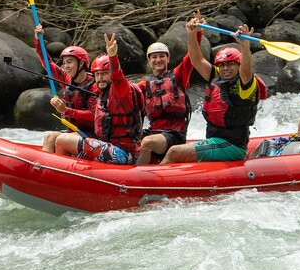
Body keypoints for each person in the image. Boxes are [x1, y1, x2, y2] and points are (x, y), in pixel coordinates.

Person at [161, 13, 266, 164]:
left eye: (230, 64)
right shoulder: (217, 76)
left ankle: (152, 185)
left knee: (174, 151)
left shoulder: (245, 85)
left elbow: (247, 72)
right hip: (216, 141)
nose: (225, 68)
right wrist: (192, 34)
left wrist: (244, 45)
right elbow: (197, 60)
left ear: (239, 65)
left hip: (232, 145)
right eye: (222, 65)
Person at [55, 33, 144, 165]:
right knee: (58, 138)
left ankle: (62, 179)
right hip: (106, 145)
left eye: (104, 73)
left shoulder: (120, 92)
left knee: (63, 141)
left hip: (123, 153)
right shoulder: (102, 94)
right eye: (97, 74)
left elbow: (118, 77)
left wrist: (113, 56)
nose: (100, 78)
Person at [33, 25, 99, 152]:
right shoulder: (68, 79)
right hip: (74, 131)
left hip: (93, 134)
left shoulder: (94, 86)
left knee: (61, 139)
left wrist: (66, 110)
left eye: (70, 62)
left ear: (81, 63)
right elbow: (48, 63)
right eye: (64, 62)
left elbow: (93, 115)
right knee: (49, 137)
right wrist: (38, 41)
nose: (66, 66)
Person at [135, 39, 195, 164]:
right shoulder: (144, 85)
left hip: (174, 135)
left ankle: (137, 177)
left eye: (162, 56)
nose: (158, 60)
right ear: (149, 61)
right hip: (154, 132)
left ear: (168, 59)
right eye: (154, 57)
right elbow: (124, 92)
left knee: (147, 142)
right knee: (130, 138)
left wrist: (195, 34)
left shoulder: (178, 76)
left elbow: (192, 57)